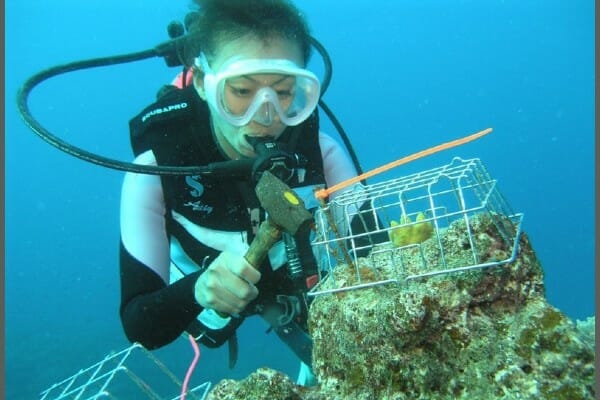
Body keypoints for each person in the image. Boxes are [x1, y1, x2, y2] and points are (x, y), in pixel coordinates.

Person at [118, 0, 358, 386]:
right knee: (210, 329)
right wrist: (196, 290)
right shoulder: (154, 169)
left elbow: (377, 247)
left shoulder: (321, 150)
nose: (265, 115)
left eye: (282, 92)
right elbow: (140, 323)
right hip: (206, 298)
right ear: (201, 83)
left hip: (295, 282)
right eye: (242, 91)